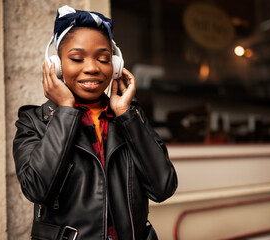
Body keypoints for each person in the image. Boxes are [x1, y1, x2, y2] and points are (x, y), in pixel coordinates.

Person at [13, 5, 177, 240]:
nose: (92, 68)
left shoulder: (130, 117)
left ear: (116, 67)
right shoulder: (33, 121)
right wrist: (65, 111)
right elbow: (38, 189)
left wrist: (126, 115)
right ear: (56, 66)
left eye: (103, 58)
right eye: (77, 58)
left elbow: (163, 188)